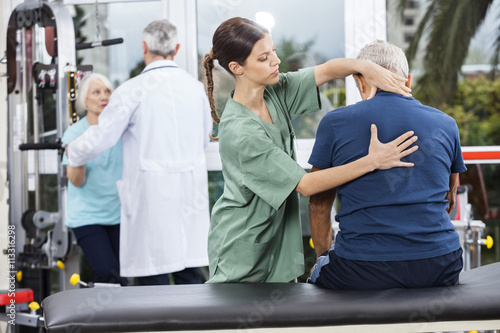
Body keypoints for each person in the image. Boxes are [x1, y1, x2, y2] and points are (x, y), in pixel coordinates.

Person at [203, 17, 419, 284]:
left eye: (274, 51)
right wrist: (372, 161)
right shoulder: (240, 131)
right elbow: (305, 185)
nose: (276, 61)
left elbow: (328, 70)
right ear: (237, 67)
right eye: (263, 58)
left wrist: (365, 66)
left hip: (276, 241)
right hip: (243, 246)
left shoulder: (274, 91)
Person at [308, 40, 467, 290]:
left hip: (360, 267)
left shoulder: (335, 122)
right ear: (409, 80)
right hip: (441, 264)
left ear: (360, 80)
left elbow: (318, 204)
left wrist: (323, 256)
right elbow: (450, 198)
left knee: (319, 274)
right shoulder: (447, 124)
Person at [66, 19, 212, 285]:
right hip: (190, 199)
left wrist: (73, 152)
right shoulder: (196, 89)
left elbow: (101, 137)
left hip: (150, 201)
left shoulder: (132, 90)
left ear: (144, 47)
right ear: (176, 48)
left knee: (151, 287)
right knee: (190, 281)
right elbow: (204, 140)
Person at [62, 73, 125, 284]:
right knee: (107, 272)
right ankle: (94, 316)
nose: (103, 97)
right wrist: (79, 152)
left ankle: (122, 317)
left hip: (118, 214)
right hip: (87, 216)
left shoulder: (119, 131)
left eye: (107, 91)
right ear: (84, 100)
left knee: (124, 275)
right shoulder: (74, 134)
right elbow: (76, 181)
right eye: (96, 92)